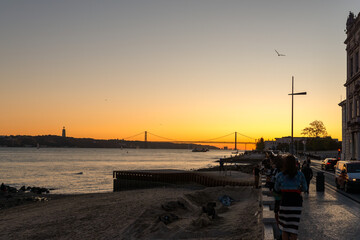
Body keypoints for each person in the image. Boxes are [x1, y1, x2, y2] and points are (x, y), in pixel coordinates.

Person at [274, 155, 308, 240]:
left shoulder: (280, 175)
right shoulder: (300, 175)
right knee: (293, 229)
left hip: (285, 203)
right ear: (295, 164)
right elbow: (305, 188)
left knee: (284, 229)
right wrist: (298, 188)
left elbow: (276, 188)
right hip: (296, 205)